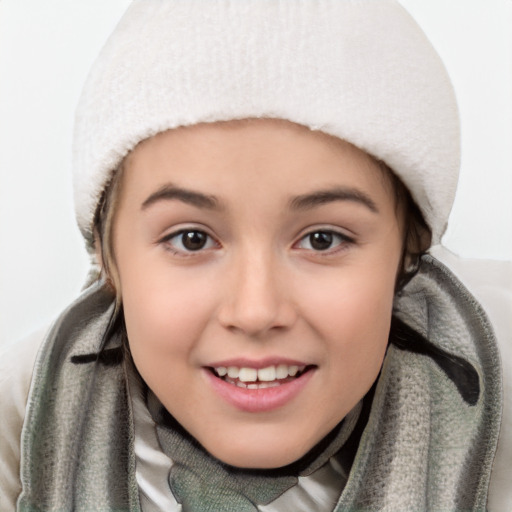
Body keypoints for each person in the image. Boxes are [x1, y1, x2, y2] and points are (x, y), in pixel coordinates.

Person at [1, 0, 510, 510]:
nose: (256, 311)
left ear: (409, 254)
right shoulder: (16, 422)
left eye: (322, 239)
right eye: (192, 239)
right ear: (108, 260)